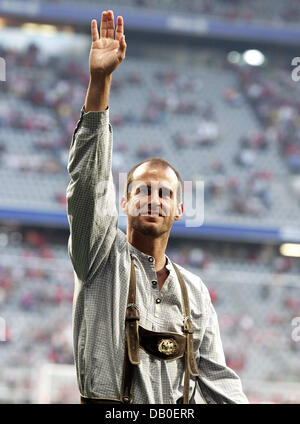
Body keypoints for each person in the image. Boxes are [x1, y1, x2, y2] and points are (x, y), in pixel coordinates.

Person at [66, 10, 249, 404]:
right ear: (124, 201)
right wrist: (100, 83)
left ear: (179, 209)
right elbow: (86, 185)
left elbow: (218, 381)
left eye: (165, 193)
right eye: (144, 190)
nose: (154, 198)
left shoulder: (195, 292)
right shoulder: (99, 256)